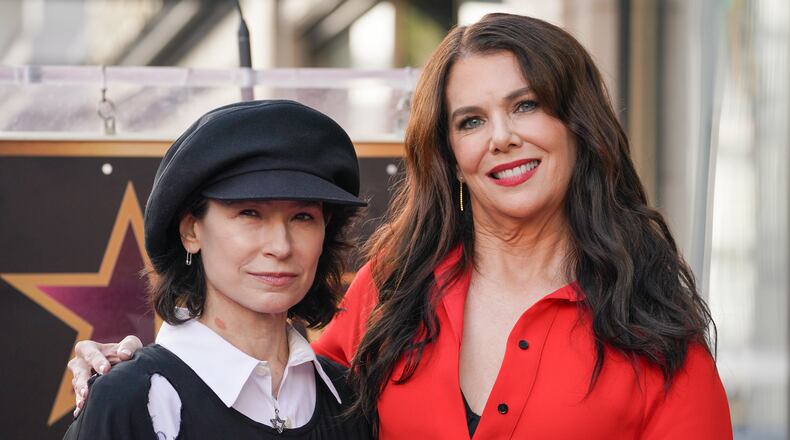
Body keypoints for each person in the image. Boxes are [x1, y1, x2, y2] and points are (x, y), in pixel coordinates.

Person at [68, 14, 732, 439]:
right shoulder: (394, 289)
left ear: (576, 127)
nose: (501, 138)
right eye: (470, 120)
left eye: (526, 106)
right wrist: (135, 373)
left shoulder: (655, 332)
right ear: (449, 153)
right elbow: (271, 392)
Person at [63, 100, 370, 439]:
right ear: (191, 230)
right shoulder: (130, 402)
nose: (281, 246)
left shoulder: (351, 398)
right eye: (250, 213)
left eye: (302, 217)